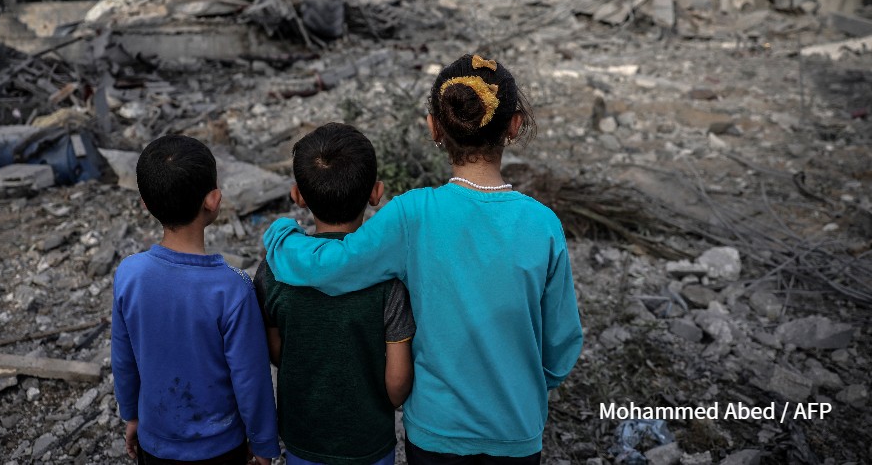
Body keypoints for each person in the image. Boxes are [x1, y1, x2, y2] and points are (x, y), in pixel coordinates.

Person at [263, 54, 583, 464]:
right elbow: (561, 343)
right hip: (516, 428)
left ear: (434, 126)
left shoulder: (413, 215)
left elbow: (332, 264)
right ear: (514, 125)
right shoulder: (543, 224)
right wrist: (528, 384)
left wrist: (280, 235)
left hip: (435, 431)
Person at [111, 134, 279, 465]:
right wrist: (263, 444)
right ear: (213, 200)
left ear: (144, 202)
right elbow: (251, 379)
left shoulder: (128, 274)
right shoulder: (233, 288)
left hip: (154, 441)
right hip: (220, 448)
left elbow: (123, 359)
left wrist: (131, 416)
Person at [254, 122, 415, 465]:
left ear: (298, 196)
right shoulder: (390, 280)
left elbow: (276, 351)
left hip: (302, 439)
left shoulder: (274, 269)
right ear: (376, 193)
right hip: (369, 444)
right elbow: (397, 385)